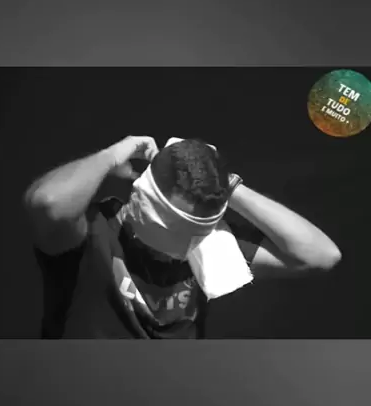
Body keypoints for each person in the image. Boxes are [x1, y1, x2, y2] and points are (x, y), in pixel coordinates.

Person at [24, 135, 342, 339]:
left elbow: (320, 256)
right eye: (173, 227)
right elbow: (47, 203)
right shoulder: (95, 230)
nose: (182, 247)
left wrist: (224, 183)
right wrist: (114, 155)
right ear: (143, 196)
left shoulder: (211, 247)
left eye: (194, 233)